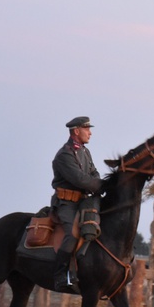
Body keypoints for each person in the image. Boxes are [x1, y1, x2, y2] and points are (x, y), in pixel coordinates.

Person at [51, 116, 103, 292]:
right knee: (72, 234)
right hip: (66, 203)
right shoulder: (64, 155)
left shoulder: (85, 152)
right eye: (87, 129)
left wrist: (98, 184)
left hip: (82, 201)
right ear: (76, 131)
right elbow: (80, 180)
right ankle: (60, 275)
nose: (90, 133)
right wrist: (102, 185)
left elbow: (94, 173)